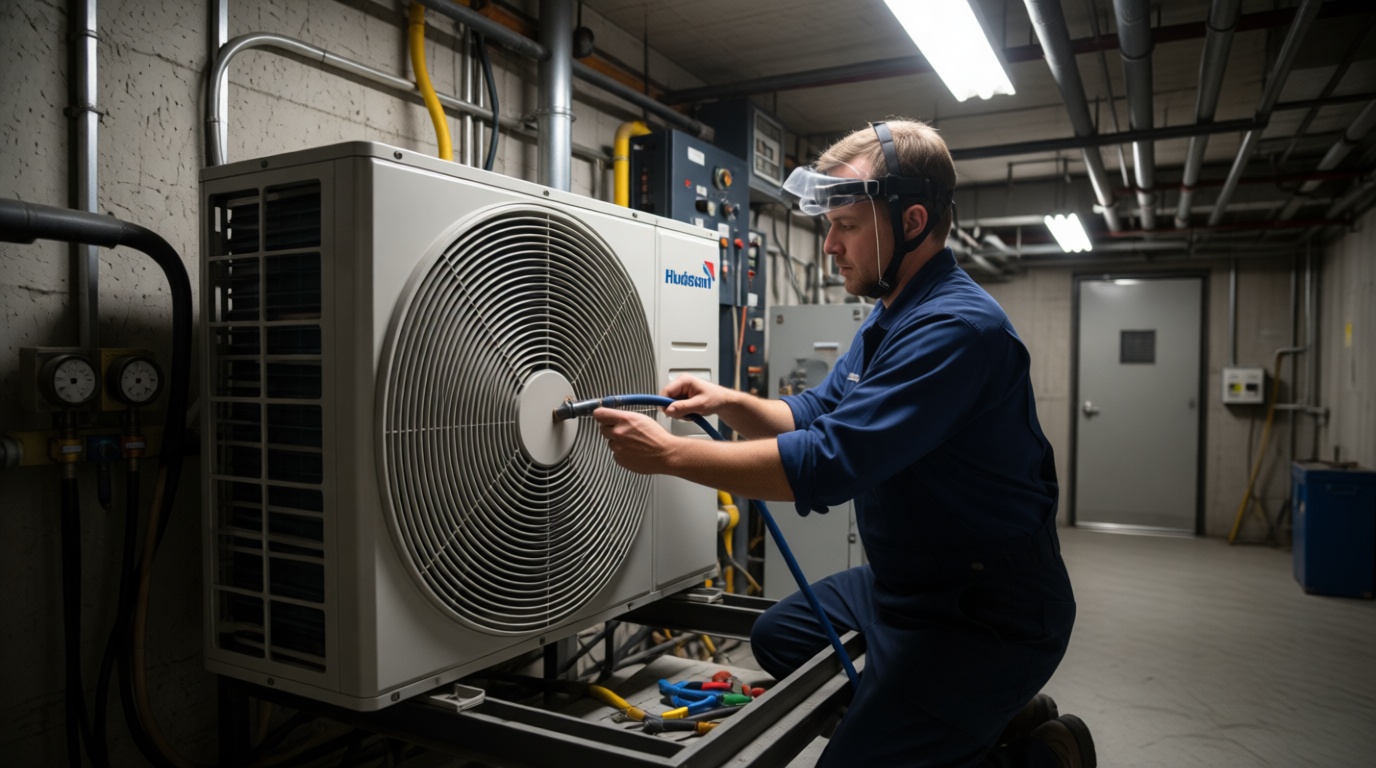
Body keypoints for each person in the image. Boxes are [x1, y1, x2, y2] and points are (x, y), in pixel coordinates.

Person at [592, 119, 1095, 767]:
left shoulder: (958, 330)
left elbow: (831, 463)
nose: (828, 245)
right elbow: (819, 411)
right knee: (780, 639)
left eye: (847, 226)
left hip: (986, 611)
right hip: (903, 584)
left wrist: (668, 455)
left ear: (911, 222)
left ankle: (1038, 752)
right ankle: (974, 717)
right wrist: (728, 403)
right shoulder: (892, 314)